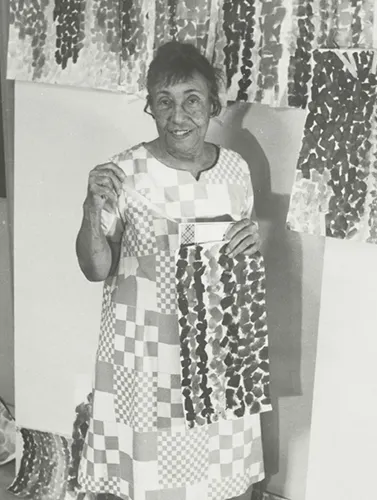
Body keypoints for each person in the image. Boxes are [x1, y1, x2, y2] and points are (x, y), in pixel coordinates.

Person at [75, 41, 266, 500]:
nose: (178, 116)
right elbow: (94, 267)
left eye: (191, 100)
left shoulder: (235, 170)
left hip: (216, 349)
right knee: (152, 474)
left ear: (213, 106)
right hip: (145, 352)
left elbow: (238, 247)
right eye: (164, 102)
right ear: (151, 108)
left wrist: (251, 239)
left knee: (215, 467)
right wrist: (90, 209)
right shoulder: (125, 172)